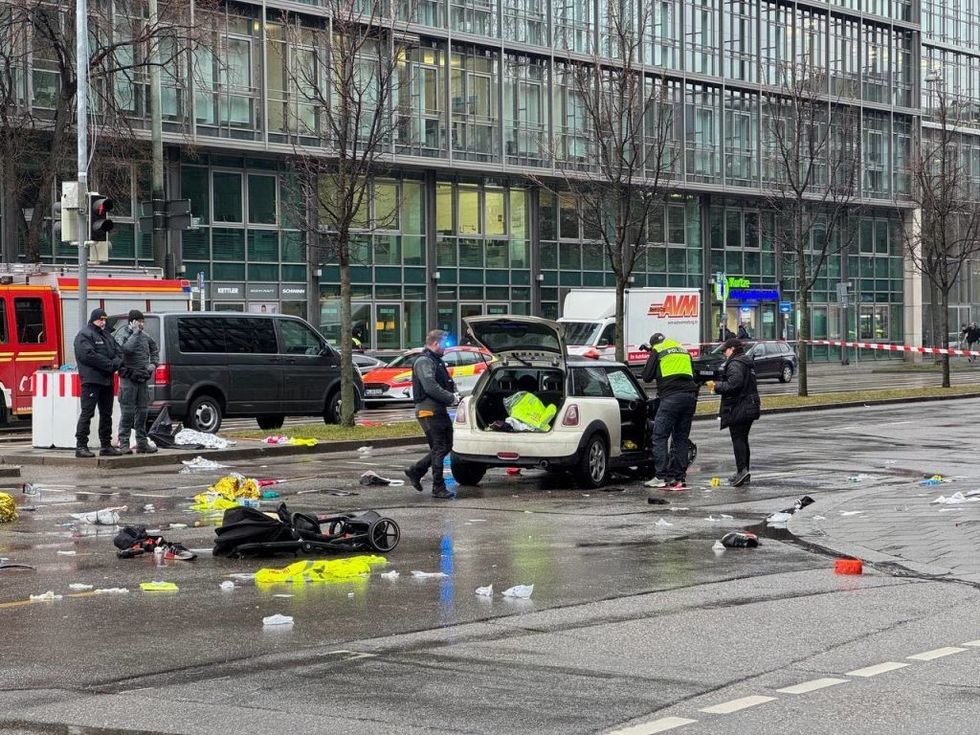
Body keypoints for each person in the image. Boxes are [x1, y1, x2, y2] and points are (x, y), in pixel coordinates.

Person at [404, 329, 460, 499]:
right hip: (428, 410)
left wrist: (454, 394)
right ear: (435, 343)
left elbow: (444, 383)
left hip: (438, 409)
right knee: (439, 447)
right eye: (444, 344)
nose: (446, 348)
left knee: (446, 445)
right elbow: (430, 386)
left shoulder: (436, 361)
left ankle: (416, 470)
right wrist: (450, 397)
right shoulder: (424, 361)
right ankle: (438, 487)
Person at [640, 332, 699, 491]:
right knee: (681, 439)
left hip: (671, 398)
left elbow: (646, 376)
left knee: (659, 436)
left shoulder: (657, 349)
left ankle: (660, 477)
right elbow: (692, 374)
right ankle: (679, 478)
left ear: (653, 345)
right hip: (690, 397)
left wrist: (651, 357)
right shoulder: (681, 348)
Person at [706, 338, 761, 487]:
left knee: (738, 439)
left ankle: (742, 471)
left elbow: (734, 384)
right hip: (750, 404)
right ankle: (743, 472)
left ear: (732, 349)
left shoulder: (735, 363)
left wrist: (716, 386)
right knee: (742, 439)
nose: (724, 353)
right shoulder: (745, 362)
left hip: (740, 406)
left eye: (725, 350)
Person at [74, 308, 123, 458]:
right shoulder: (84, 335)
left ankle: (106, 445)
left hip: (106, 381)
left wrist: (114, 364)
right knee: (87, 413)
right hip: (92, 380)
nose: (103, 322)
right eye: (100, 319)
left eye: (105, 320)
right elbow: (88, 356)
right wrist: (110, 365)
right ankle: (81, 446)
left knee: (106, 414)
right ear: (93, 319)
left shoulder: (107, 336)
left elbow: (119, 353)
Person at [115, 309, 160, 454]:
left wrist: (152, 365)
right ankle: (124, 444)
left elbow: (155, 350)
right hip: (128, 379)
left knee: (142, 412)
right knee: (127, 413)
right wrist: (134, 333)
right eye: (139, 321)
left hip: (142, 378)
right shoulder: (123, 335)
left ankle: (142, 443)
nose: (142, 324)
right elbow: (125, 350)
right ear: (132, 322)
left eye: (142, 322)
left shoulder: (146, 337)